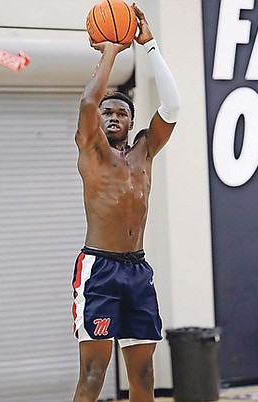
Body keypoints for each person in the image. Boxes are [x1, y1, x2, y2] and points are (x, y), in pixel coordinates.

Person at [71, 4, 180, 401]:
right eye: (108, 113)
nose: (113, 116)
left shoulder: (144, 153)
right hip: (99, 268)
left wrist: (148, 45)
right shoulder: (92, 149)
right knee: (94, 374)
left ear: (132, 123)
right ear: (98, 122)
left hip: (137, 270)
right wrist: (112, 51)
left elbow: (172, 106)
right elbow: (87, 105)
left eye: (121, 112)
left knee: (145, 374)